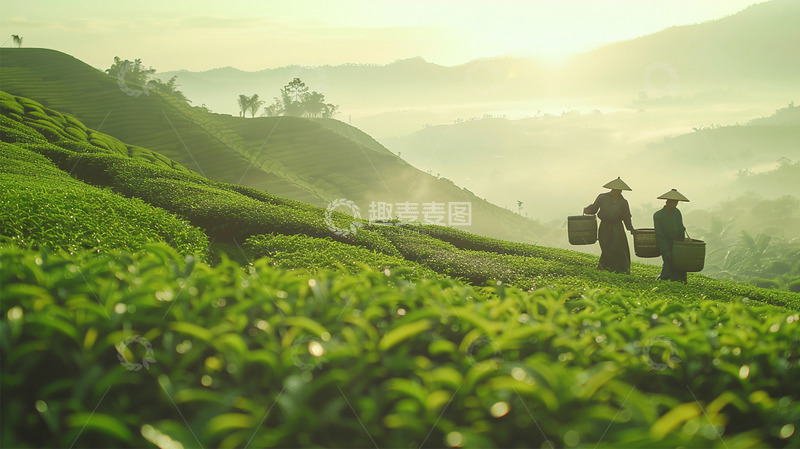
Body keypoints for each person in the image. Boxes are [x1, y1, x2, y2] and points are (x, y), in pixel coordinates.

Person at [583, 177, 635, 274]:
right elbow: (594, 209)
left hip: (618, 229)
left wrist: (631, 229)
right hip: (605, 227)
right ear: (612, 190)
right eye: (616, 190)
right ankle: (606, 268)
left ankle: (620, 270)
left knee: (619, 249)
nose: (617, 192)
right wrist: (587, 210)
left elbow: (627, 218)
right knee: (607, 248)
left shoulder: (623, 202)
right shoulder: (602, 197)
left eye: (619, 191)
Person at [653, 188, 689, 282]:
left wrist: (683, 244)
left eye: (676, 202)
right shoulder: (658, 215)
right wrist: (665, 250)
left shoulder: (677, 213)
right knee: (668, 262)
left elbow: (681, 228)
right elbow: (659, 235)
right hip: (666, 243)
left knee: (679, 265)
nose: (675, 204)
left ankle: (679, 281)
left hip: (678, 244)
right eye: (673, 202)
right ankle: (663, 279)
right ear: (667, 201)